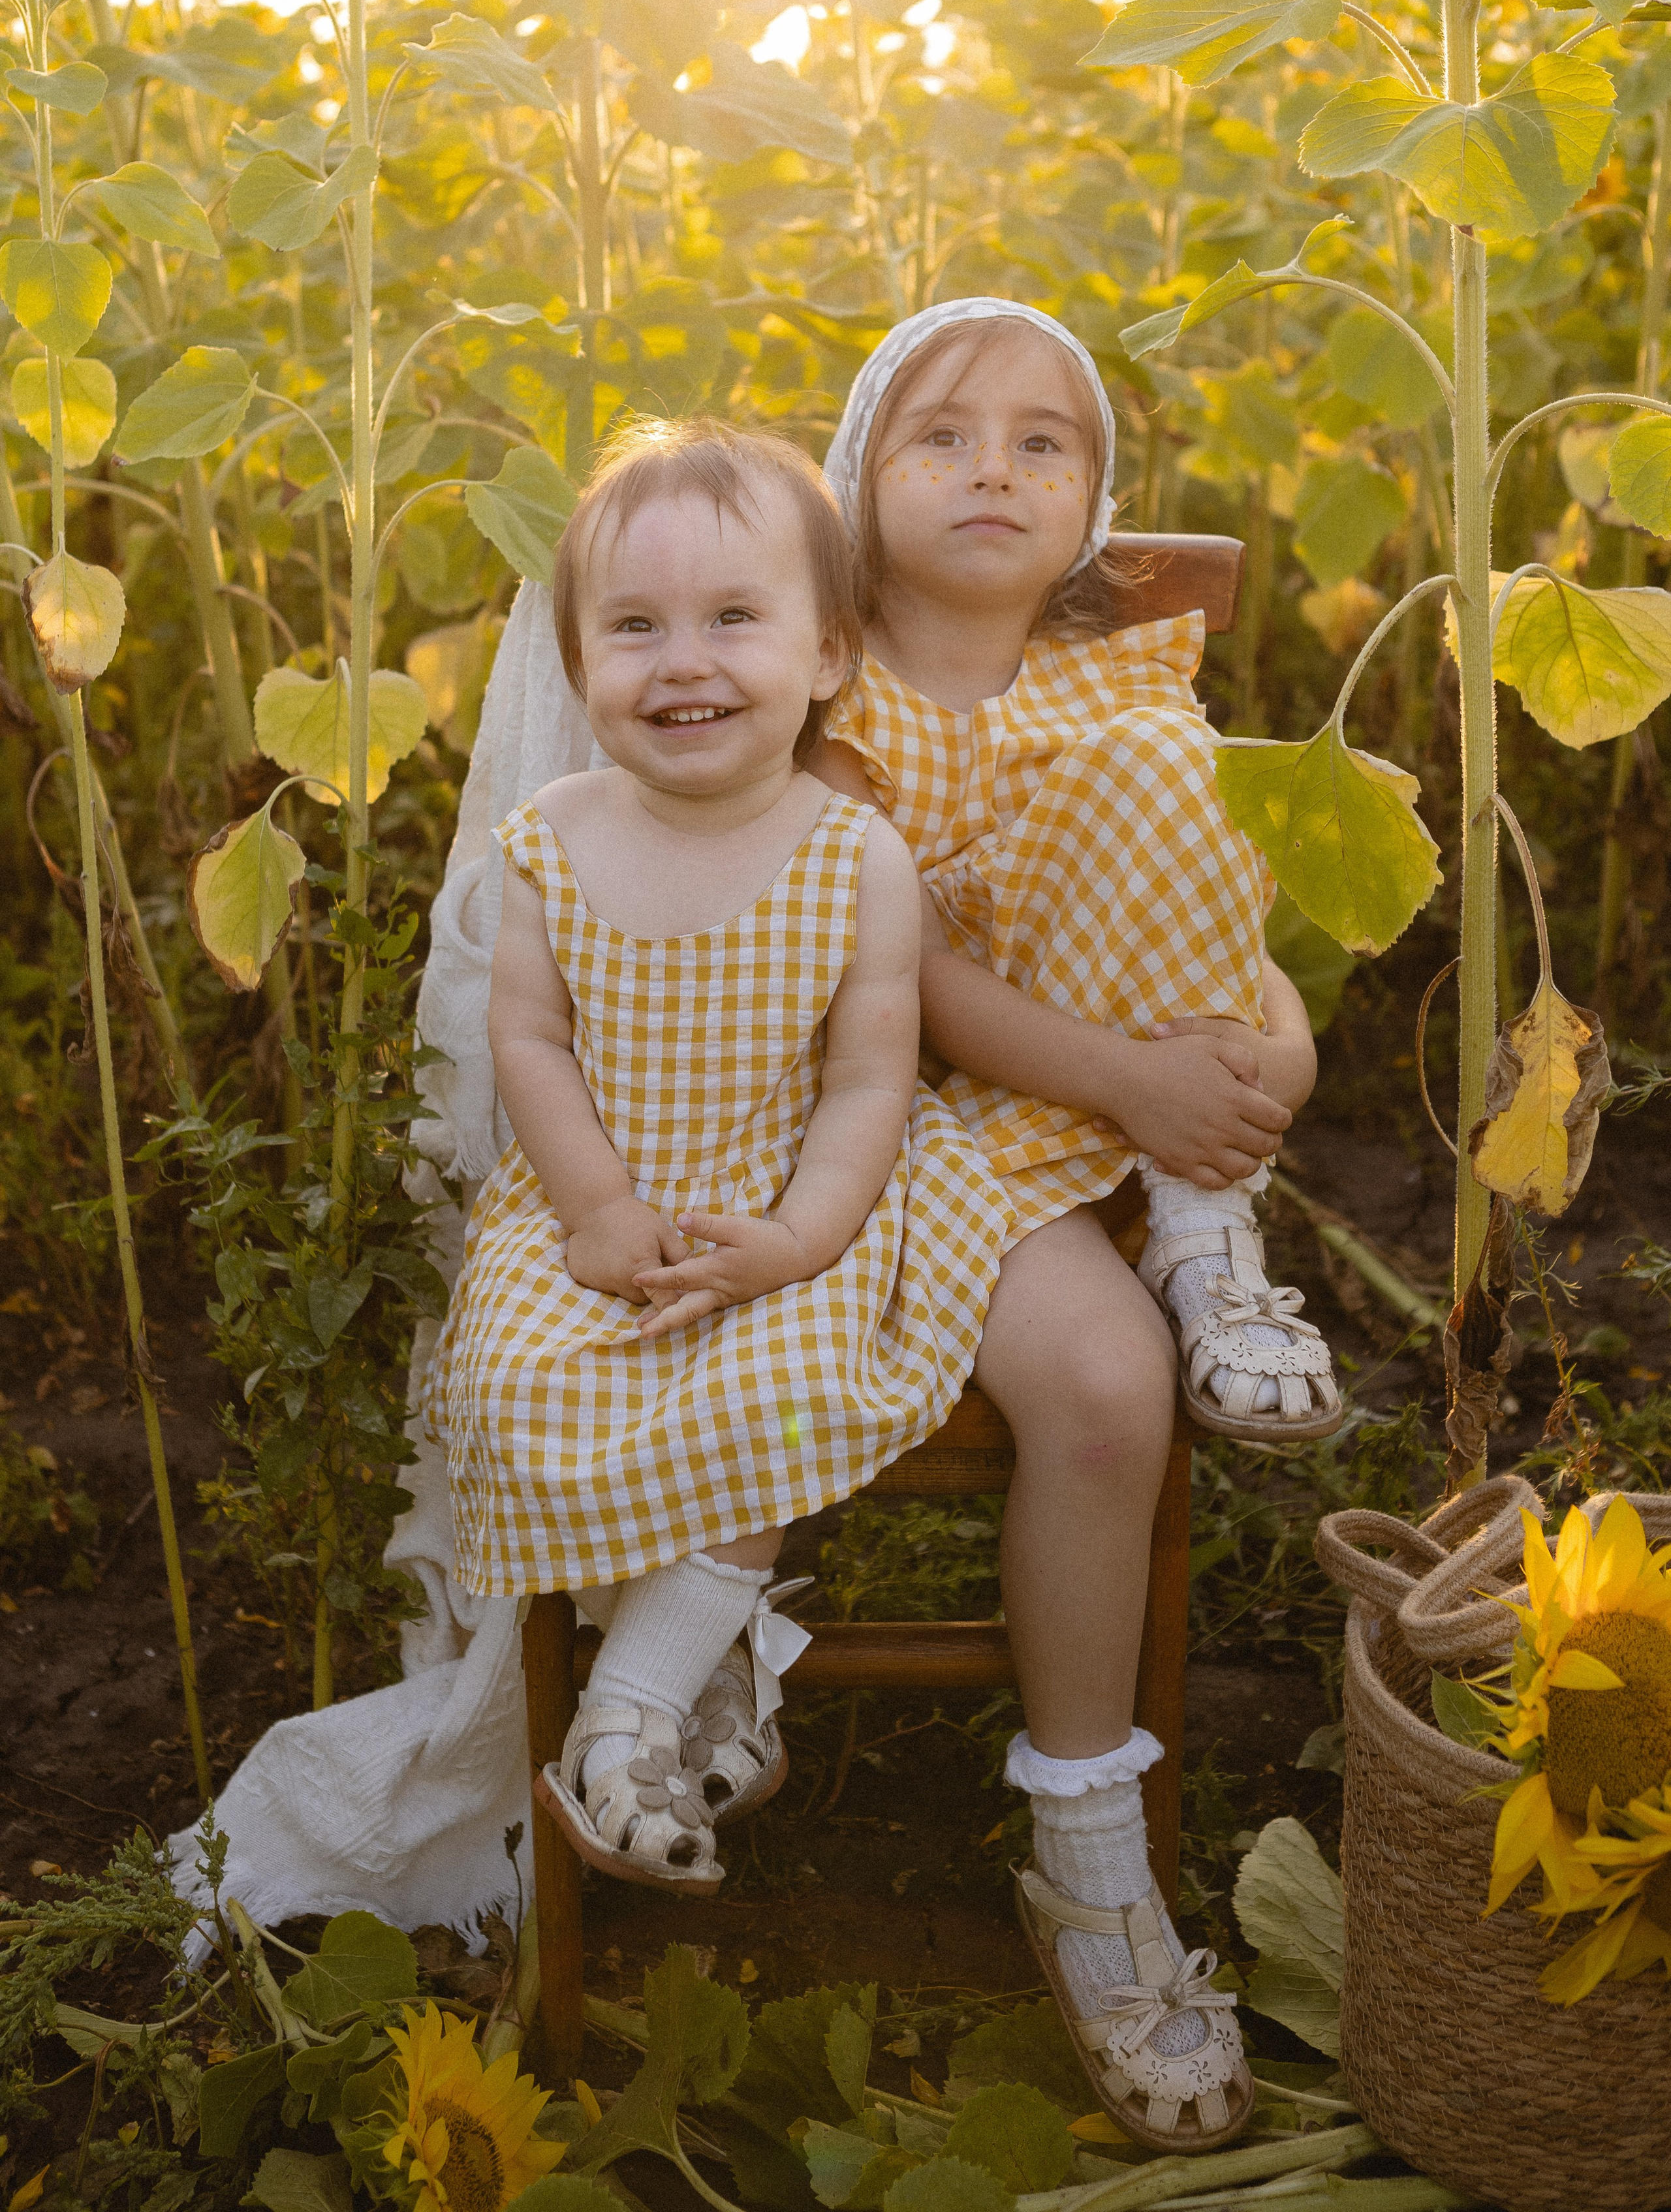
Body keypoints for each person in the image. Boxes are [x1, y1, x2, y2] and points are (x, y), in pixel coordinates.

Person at [805, 297, 1343, 2153]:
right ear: (858, 484)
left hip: (1111, 1139)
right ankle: (1090, 1864)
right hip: (898, 1141)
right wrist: (1146, 1085)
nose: (995, 470)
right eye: (942, 434)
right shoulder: (824, 698)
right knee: (1110, 1383)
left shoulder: (1128, 693)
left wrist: (1263, 1054)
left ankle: (1214, 1247)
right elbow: (908, 989)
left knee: (1165, 771)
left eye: (1048, 443)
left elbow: (1226, 934)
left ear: (1098, 505)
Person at [424, 416, 1011, 1897]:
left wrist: (802, 1240)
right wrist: (600, 1212)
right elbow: (533, 1050)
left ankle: (622, 1724)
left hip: (784, 1188)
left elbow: (871, 1075)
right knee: (515, 1378)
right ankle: (715, 1659)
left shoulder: (850, 853)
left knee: (777, 1378)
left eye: (732, 619)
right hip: (595, 1192)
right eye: (633, 629)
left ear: (826, 655)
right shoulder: (552, 840)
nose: (681, 662)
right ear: (578, 668)